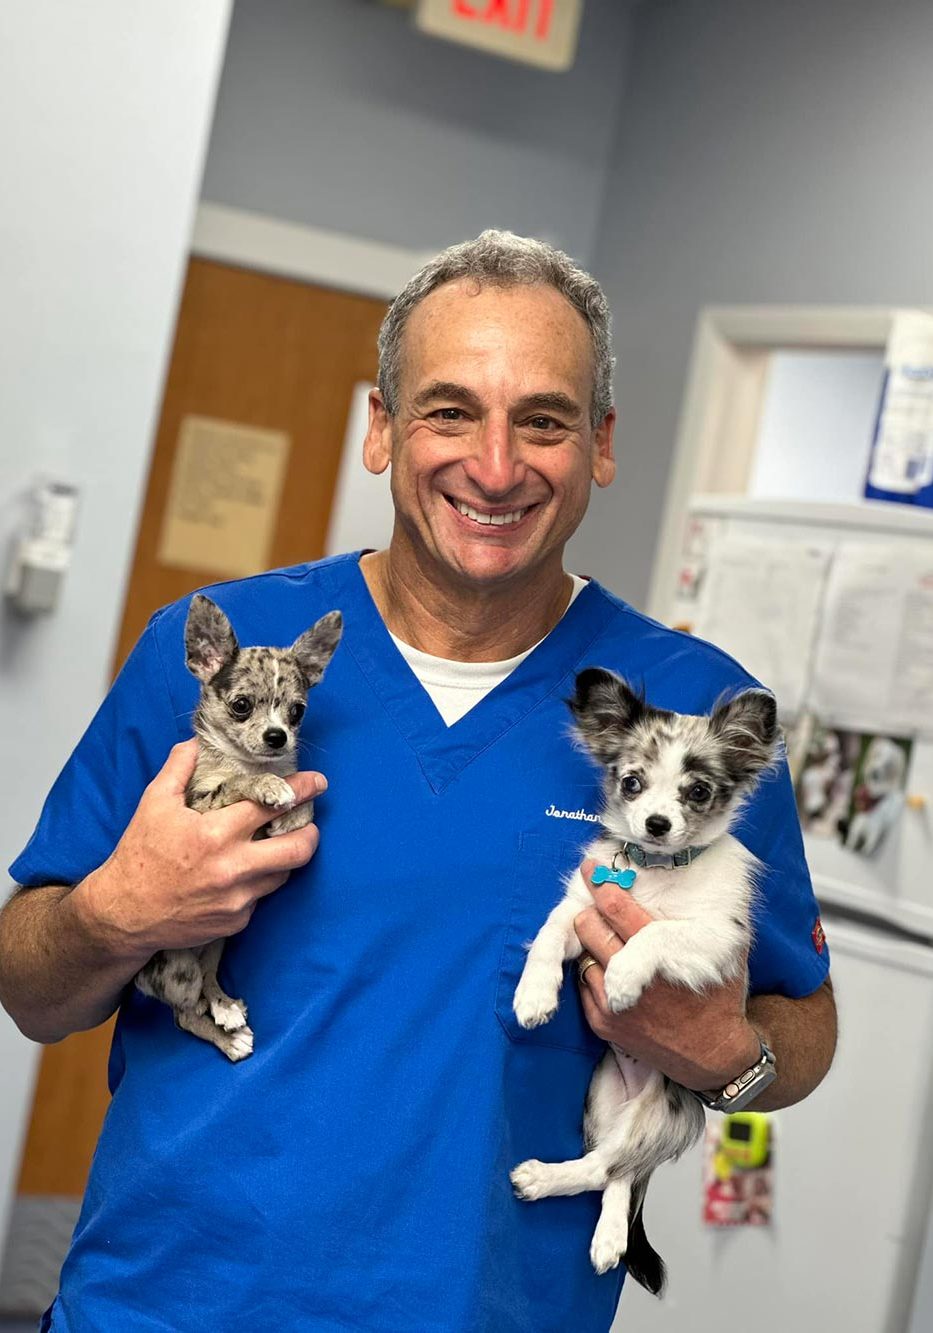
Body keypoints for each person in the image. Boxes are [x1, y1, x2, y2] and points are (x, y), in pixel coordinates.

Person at [0, 230, 836, 1333]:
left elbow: (803, 1024)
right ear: (383, 429)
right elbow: (31, 984)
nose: (495, 466)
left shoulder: (686, 711)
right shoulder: (216, 650)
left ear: (602, 443)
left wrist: (727, 1062)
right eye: (449, 410)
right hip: (158, 1304)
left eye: (543, 419)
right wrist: (120, 911)